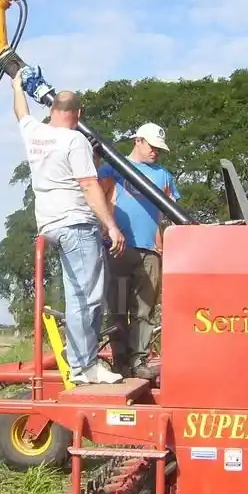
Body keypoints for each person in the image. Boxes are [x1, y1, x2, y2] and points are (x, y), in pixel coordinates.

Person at [12, 67, 124, 384]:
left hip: (50, 225)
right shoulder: (75, 140)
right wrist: (111, 226)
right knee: (87, 297)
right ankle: (84, 365)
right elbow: (89, 186)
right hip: (76, 223)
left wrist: (16, 86)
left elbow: (21, 113)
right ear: (79, 113)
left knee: (78, 293)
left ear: (51, 109)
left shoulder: (35, 133)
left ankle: (80, 362)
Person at [97, 123, 180, 380]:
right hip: (118, 247)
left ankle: (139, 360)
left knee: (145, 309)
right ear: (138, 141)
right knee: (119, 306)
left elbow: (169, 210)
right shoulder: (114, 166)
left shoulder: (163, 175)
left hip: (150, 250)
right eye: (152, 146)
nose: (156, 152)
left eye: (159, 149)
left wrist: (162, 243)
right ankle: (120, 362)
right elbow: (95, 196)